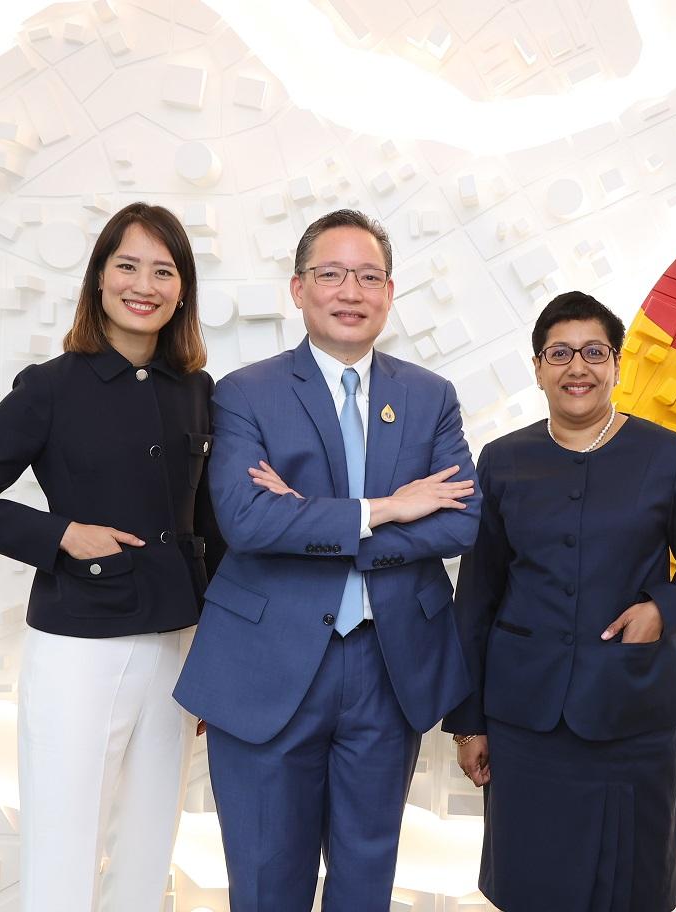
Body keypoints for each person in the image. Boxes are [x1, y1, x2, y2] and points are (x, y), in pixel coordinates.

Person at [172, 208, 480, 911]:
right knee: (265, 876)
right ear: (298, 289)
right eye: (332, 274)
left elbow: (462, 521)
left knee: (367, 874)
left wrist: (313, 518)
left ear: (390, 293)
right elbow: (247, 520)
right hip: (266, 663)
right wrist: (389, 508)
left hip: (387, 662)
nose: (351, 290)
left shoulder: (429, 397)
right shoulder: (245, 393)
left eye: (368, 276)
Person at [0, 202, 223, 912]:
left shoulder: (197, 391)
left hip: (176, 644)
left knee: (152, 839)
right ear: (98, 280)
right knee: (65, 839)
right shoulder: (50, 386)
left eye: (164, 269)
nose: (143, 284)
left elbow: (210, 530)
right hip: (78, 643)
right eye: (127, 266)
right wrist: (61, 535)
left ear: (182, 289)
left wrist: (217, 655)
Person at [444, 291, 676, 912]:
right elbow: (477, 596)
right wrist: (468, 719)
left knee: (628, 883)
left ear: (616, 363)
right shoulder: (503, 461)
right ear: (537, 367)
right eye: (559, 353)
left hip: (631, 713)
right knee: (531, 882)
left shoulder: (668, 457)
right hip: (526, 718)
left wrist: (663, 609)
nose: (576, 367)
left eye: (593, 352)